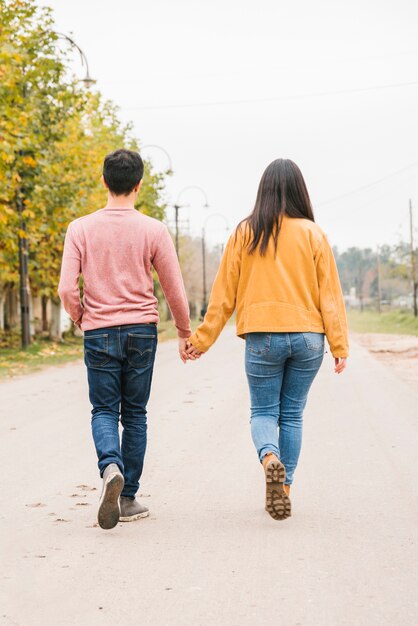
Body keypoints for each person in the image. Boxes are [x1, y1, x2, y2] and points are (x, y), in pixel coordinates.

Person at [186, 158, 349, 521]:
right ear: (299, 191)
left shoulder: (246, 232)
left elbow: (223, 295)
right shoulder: (313, 233)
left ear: (263, 191)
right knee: (292, 414)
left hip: (262, 335)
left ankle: (269, 457)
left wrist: (202, 340)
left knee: (263, 411)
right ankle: (284, 486)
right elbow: (330, 297)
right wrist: (339, 345)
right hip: (308, 337)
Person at [58, 149, 191, 530]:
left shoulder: (80, 229)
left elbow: (67, 287)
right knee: (134, 414)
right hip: (141, 332)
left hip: (99, 330)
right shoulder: (154, 230)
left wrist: (81, 316)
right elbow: (174, 289)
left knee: (103, 410)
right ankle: (128, 495)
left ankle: (109, 466)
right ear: (139, 185)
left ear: (104, 181)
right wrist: (184, 332)